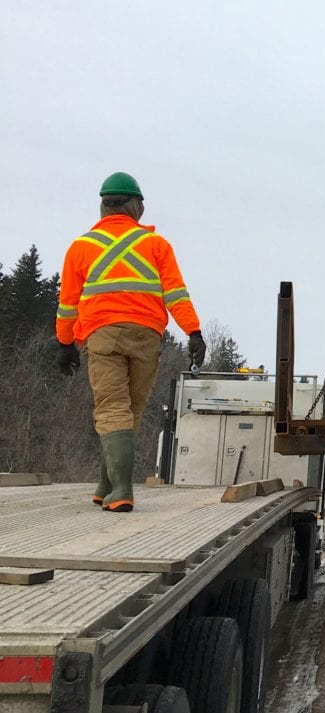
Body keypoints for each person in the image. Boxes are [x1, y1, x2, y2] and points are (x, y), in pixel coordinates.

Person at [55, 172, 206, 512]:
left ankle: (121, 490)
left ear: (103, 205)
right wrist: (193, 332)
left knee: (111, 408)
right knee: (130, 410)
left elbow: (67, 304)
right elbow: (177, 295)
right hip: (146, 337)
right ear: (136, 206)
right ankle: (106, 485)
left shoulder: (81, 247)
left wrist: (64, 344)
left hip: (103, 334)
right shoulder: (155, 245)